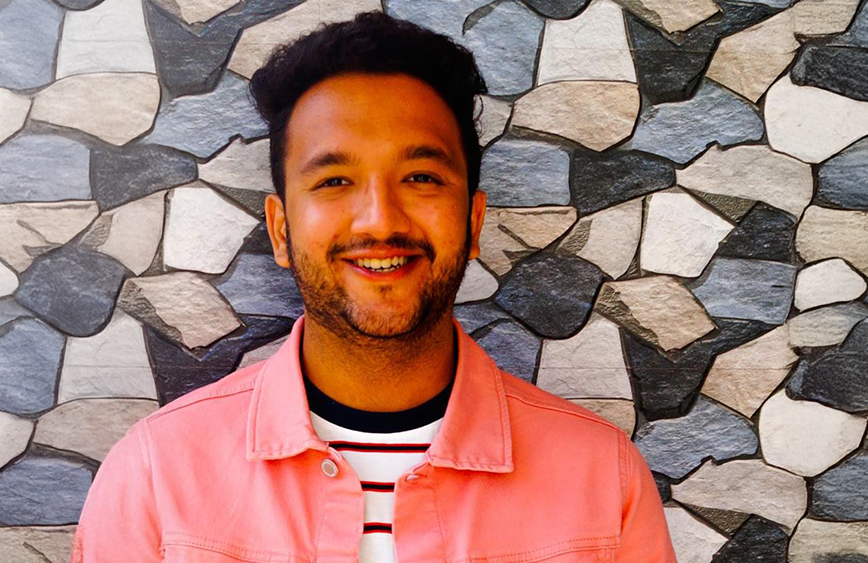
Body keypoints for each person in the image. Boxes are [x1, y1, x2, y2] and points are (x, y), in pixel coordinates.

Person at [71, 10, 677, 563]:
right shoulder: (157, 476)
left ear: (473, 223)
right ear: (281, 231)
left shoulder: (604, 480)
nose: (380, 221)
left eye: (420, 177)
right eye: (335, 181)